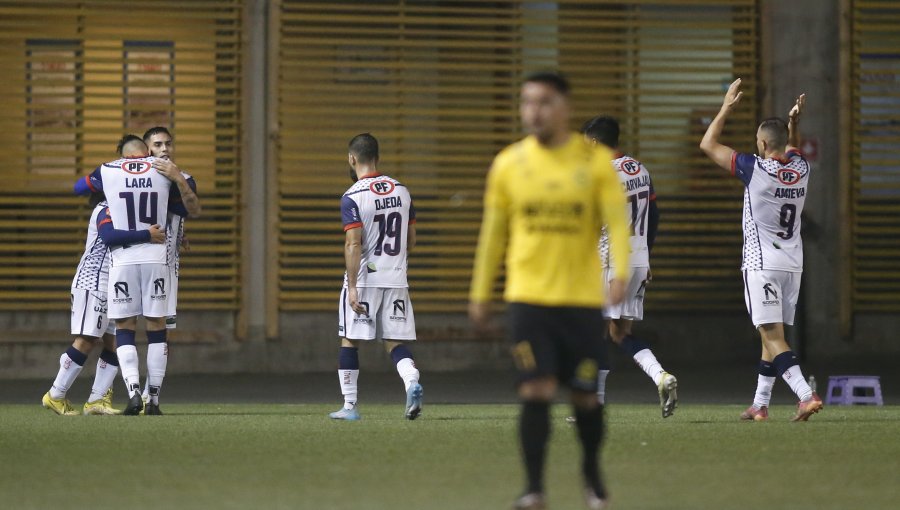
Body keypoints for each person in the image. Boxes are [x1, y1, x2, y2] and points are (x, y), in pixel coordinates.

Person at [469, 72, 631, 510]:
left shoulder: (595, 164)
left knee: (584, 395)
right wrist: (480, 292)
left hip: (580, 302)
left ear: (564, 108)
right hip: (528, 301)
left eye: (543, 102)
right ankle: (534, 488)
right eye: (527, 102)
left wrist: (621, 272)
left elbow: (618, 223)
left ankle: (592, 475)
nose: (533, 111)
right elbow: (493, 235)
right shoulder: (508, 164)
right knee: (535, 390)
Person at [700, 79, 821, 422]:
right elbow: (793, 147)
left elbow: (707, 144)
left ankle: (805, 394)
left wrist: (726, 107)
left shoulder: (755, 169)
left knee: (772, 336)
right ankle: (760, 403)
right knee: (771, 336)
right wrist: (795, 122)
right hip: (792, 265)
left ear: (763, 143)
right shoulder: (800, 169)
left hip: (762, 263)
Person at [582, 116, 678, 418]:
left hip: (611, 260)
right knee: (620, 333)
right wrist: (646, 256)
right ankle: (661, 376)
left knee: (592, 331)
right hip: (638, 257)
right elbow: (656, 215)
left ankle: (593, 402)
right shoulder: (640, 169)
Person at [77, 136, 178, 416]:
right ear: (146, 151)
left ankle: (133, 393)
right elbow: (184, 202)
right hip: (156, 257)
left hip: (122, 261)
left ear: (121, 154)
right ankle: (153, 400)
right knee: (157, 327)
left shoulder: (108, 169)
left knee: (124, 328)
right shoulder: (161, 168)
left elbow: (78, 187)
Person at [330, 133, 423, 421]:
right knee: (395, 341)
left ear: (352, 159)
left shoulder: (353, 196)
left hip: (367, 278)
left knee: (349, 339)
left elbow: (353, 244)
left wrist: (354, 286)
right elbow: (411, 241)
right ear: (378, 158)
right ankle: (412, 382)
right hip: (396, 278)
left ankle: (349, 406)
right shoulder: (402, 191)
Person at [138, 127, 201, 407]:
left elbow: (193, 210)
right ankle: (105, 394)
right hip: (130, 259)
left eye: (168, 144)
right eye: (158, 144)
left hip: (164, 263)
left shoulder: (183, 178)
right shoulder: (131, 177)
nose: (164, 149)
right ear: (146, 148)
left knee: (157, 328)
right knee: (118, 330)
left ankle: (150, 396)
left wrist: (179, 230)